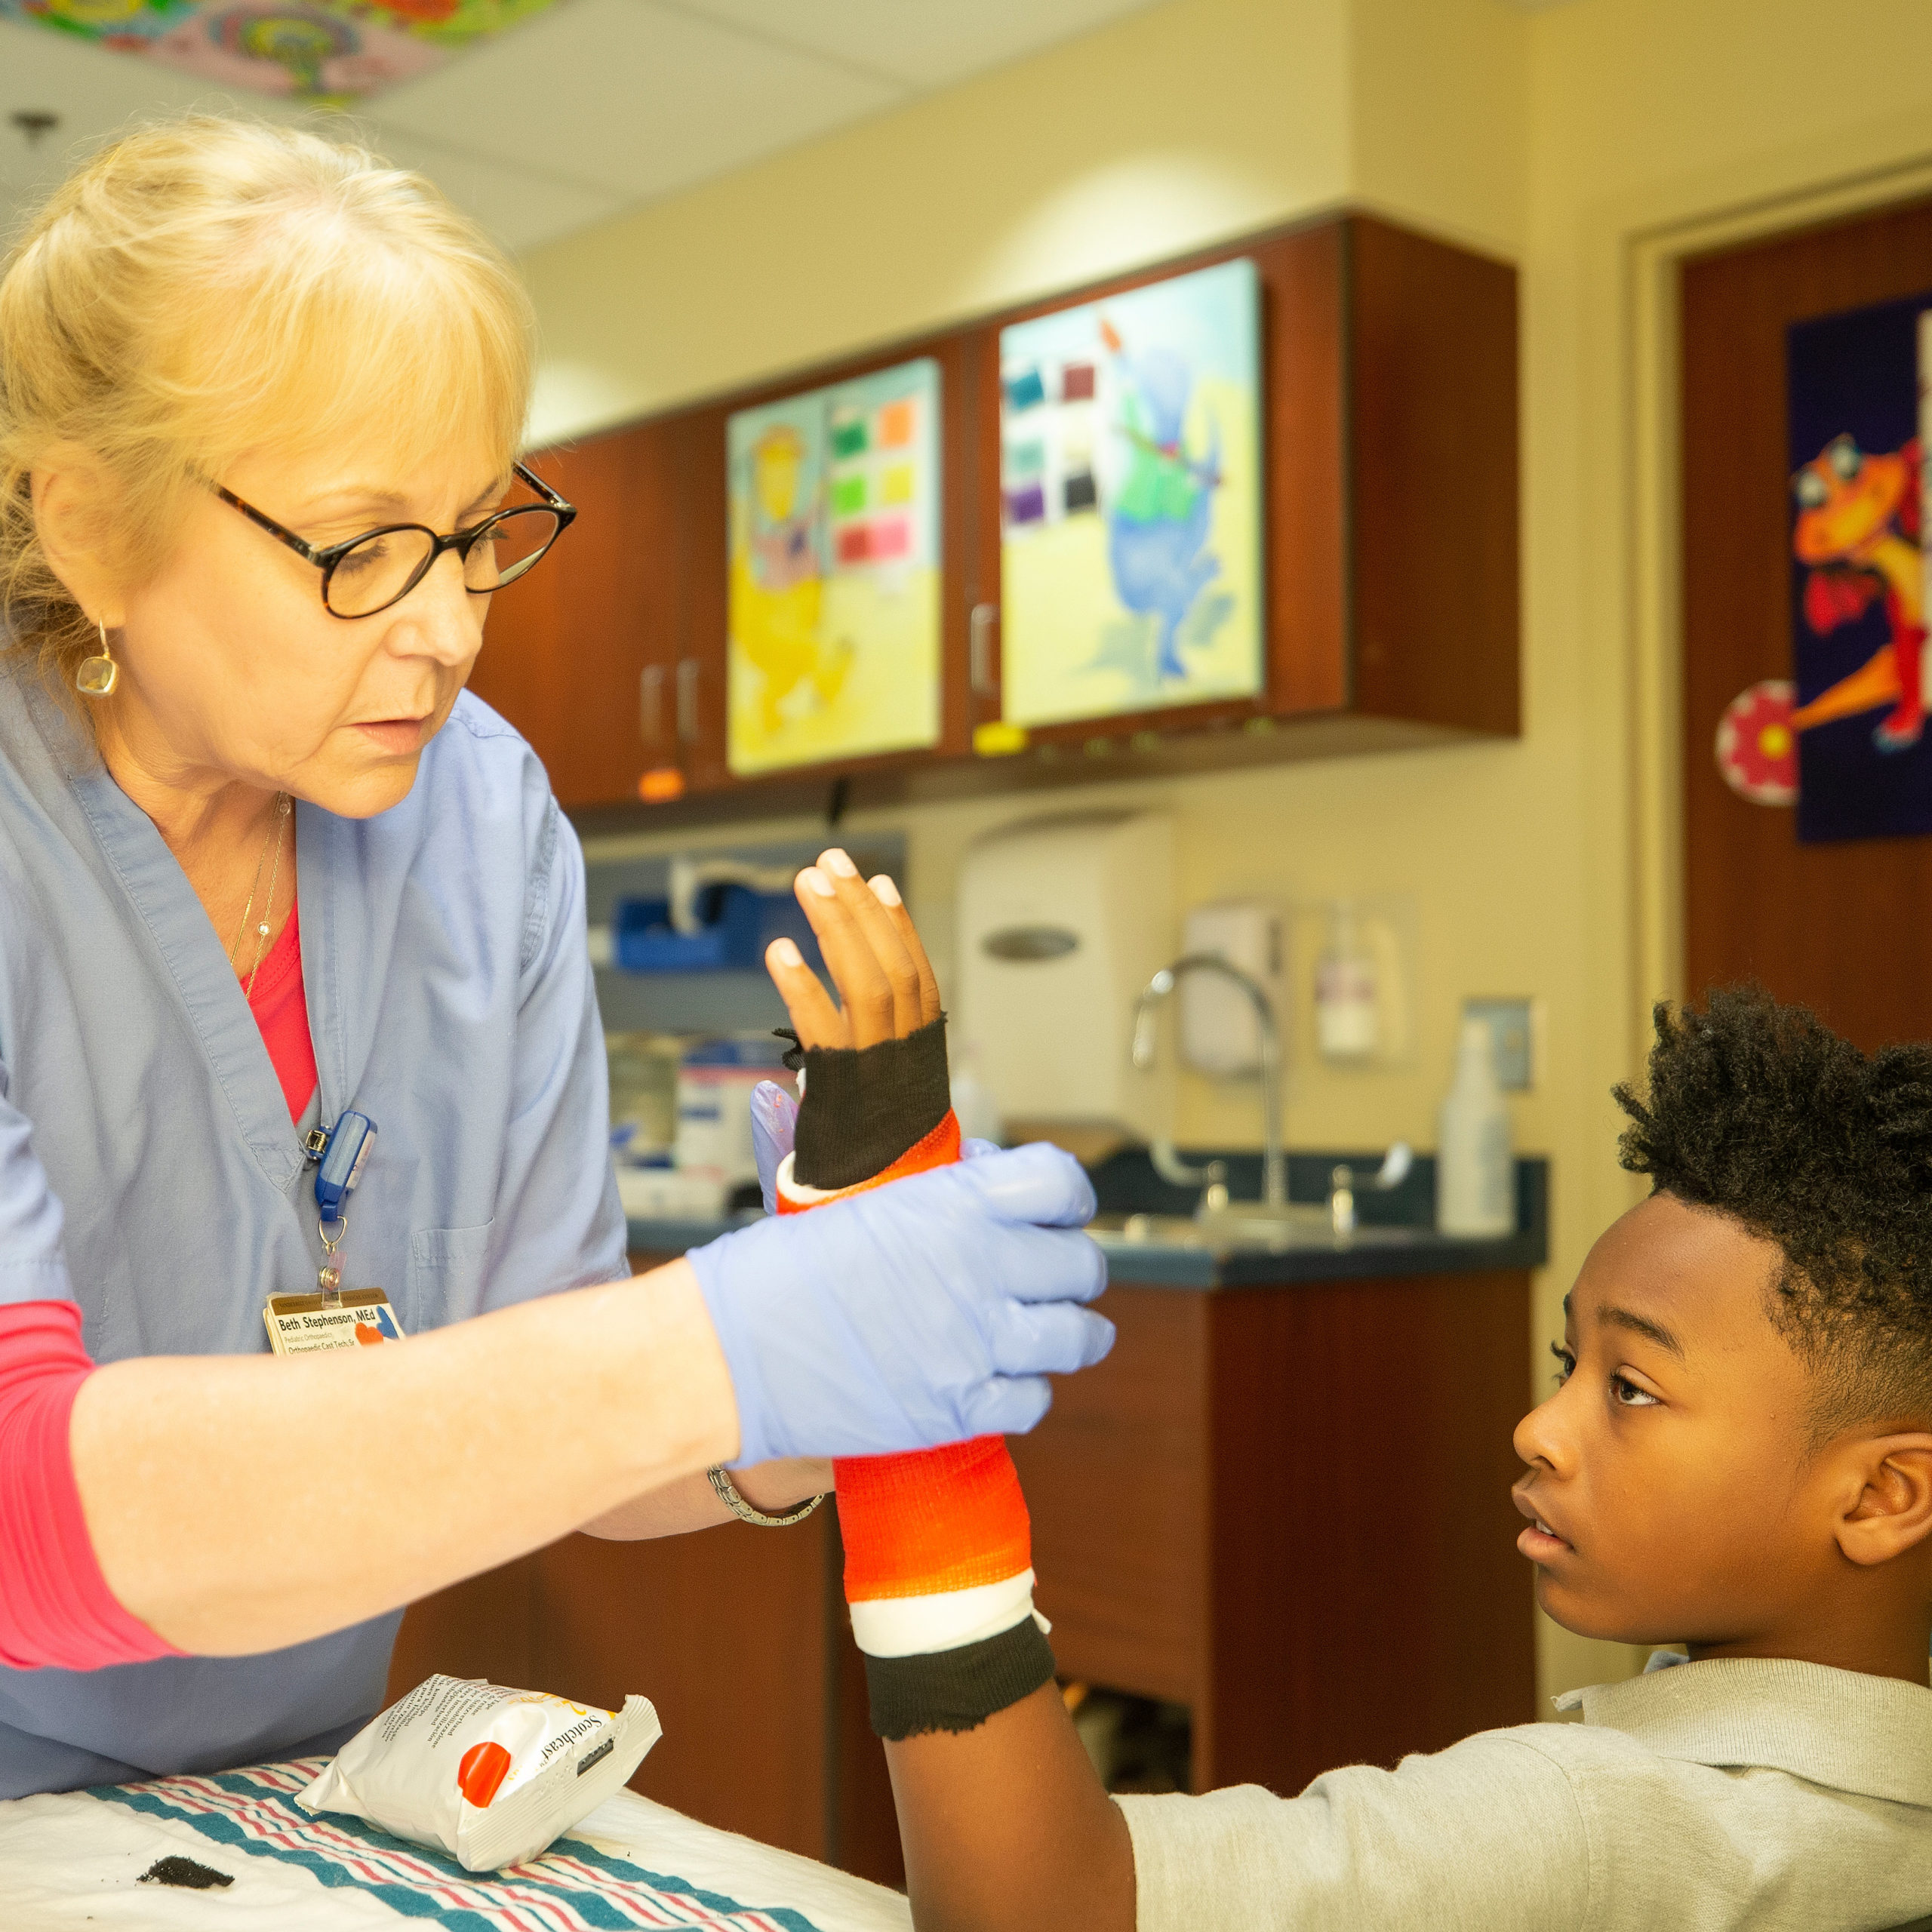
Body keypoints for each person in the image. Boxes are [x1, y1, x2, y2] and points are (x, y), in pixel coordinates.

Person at [0, 115, 1112, 1799]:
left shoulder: (480, 814)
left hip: (279, 1780)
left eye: (473, 534)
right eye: (362, 547)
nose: (446, 627)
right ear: (91, 527)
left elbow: (565, 1411)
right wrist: (708, 1346)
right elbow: (20, 1512)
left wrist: (797, 1398)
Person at [755, 891, 1932, 1932]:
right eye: (1570, 1362)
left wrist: (909, 1420)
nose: (1538, 1426)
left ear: (1885, 1496)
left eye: (1629, 1388)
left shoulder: (1589, 1822)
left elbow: (1045, 1911)